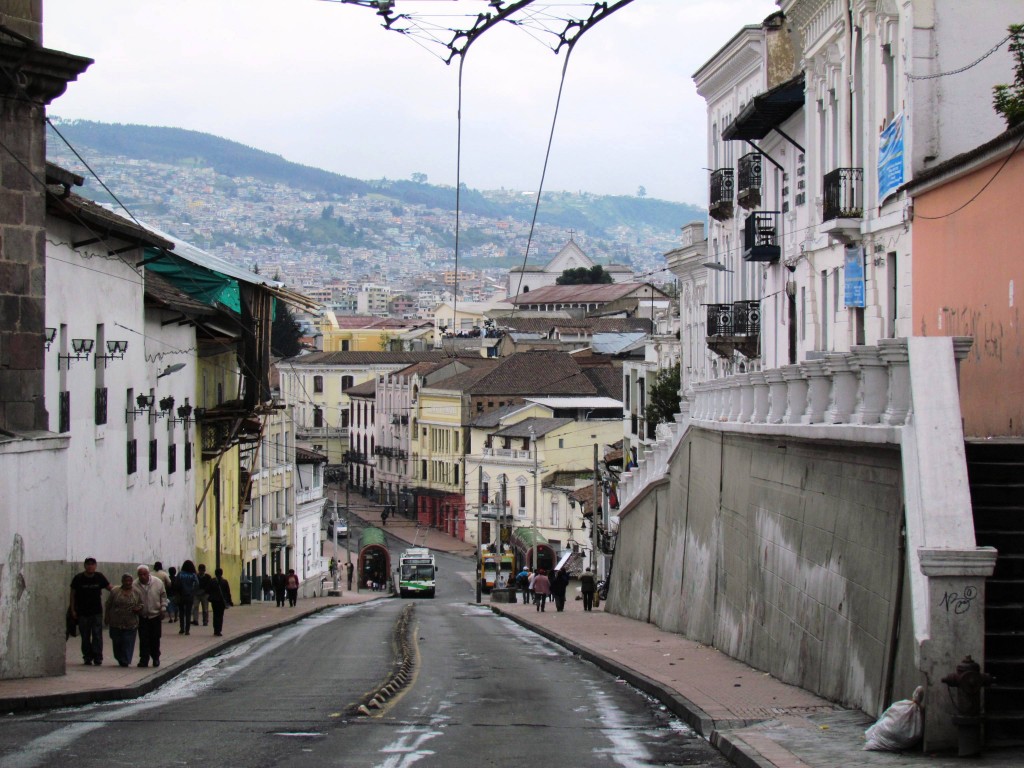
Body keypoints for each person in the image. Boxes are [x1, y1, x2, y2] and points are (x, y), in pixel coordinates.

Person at [69, 557, 112, 665]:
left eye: (92, 564)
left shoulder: (99, 577)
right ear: (84, 566)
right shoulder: (78, 578)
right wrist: (73, 610)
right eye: (88, 564)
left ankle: (98, 656)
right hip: (82, 612)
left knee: (97, 635)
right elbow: (72, 595)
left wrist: (123, 590)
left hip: (96, 611)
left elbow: (110, 588)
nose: (90, 566)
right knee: (85, 636)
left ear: (95, 566)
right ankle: (87, 656)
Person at [104, 573, 142, 667]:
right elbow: (108, 604)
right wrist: (107, 616)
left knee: (127, 641)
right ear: (122, 581)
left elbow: (141, 603)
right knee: (117, 641)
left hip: (131, 622)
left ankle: (126, 660)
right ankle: (119, 657)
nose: (128, 583)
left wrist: (138, 608)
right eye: (126, 581)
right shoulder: (115, 591)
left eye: (130, 581)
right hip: (116, 622)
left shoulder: (136, 592)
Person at [133, 565, 167, 668]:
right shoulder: (135, 584)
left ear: (148, 574)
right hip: (142, 616)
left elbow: (163, 596)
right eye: (140, 574)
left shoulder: (157, 582)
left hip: (155, 615)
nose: (142, 576)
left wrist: (163, 608)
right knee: (143, 639)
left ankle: (155, 658)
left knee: (155, 638)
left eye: (144, 574)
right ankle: (144, 659)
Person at [207, 567, 233, 637]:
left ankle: (215, 630)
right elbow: (228, 592)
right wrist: (230, 601)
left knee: (215, 615)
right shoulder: (224, 581)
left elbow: (208, 590)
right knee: (220, 615)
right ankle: (219, 630)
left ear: (215, 573)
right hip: (221, 601)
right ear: (222, 573)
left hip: (214, 601)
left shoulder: (212, 581)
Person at [176, 560, 199, 635]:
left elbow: (176, 584)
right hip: (189, 595)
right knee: (188, 613)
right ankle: (187, 630)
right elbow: (197, 583)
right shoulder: (193, 574)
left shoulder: (180, 574)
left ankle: (182, 628)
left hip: (181, 595)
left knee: (181, 612)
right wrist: (193, 591)